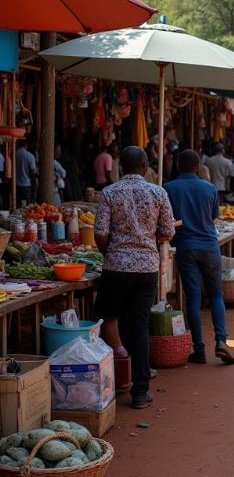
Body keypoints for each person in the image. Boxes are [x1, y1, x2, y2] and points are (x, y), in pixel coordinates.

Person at [94, 147, 175, 409]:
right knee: (139, 326)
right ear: (144, 166)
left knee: (108, 318)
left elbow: (100, 234)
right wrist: (147, 242)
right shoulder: (158, 192)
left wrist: (114, 252)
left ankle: (114, 381)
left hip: (116, 266)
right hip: (146, 268)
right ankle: (140, 392)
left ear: (122, 166)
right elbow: (167, 231)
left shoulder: (109, 192)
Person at [165, 150, 234, 366]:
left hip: (186, 247)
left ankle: (199, 348)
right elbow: (213, 217)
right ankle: (221, 341)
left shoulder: (168, 188)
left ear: (178, 165)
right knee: (215, 294)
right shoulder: (209, 188)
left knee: (193, 297)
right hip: (209, 245)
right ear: (198, 166)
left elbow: (166, 221)